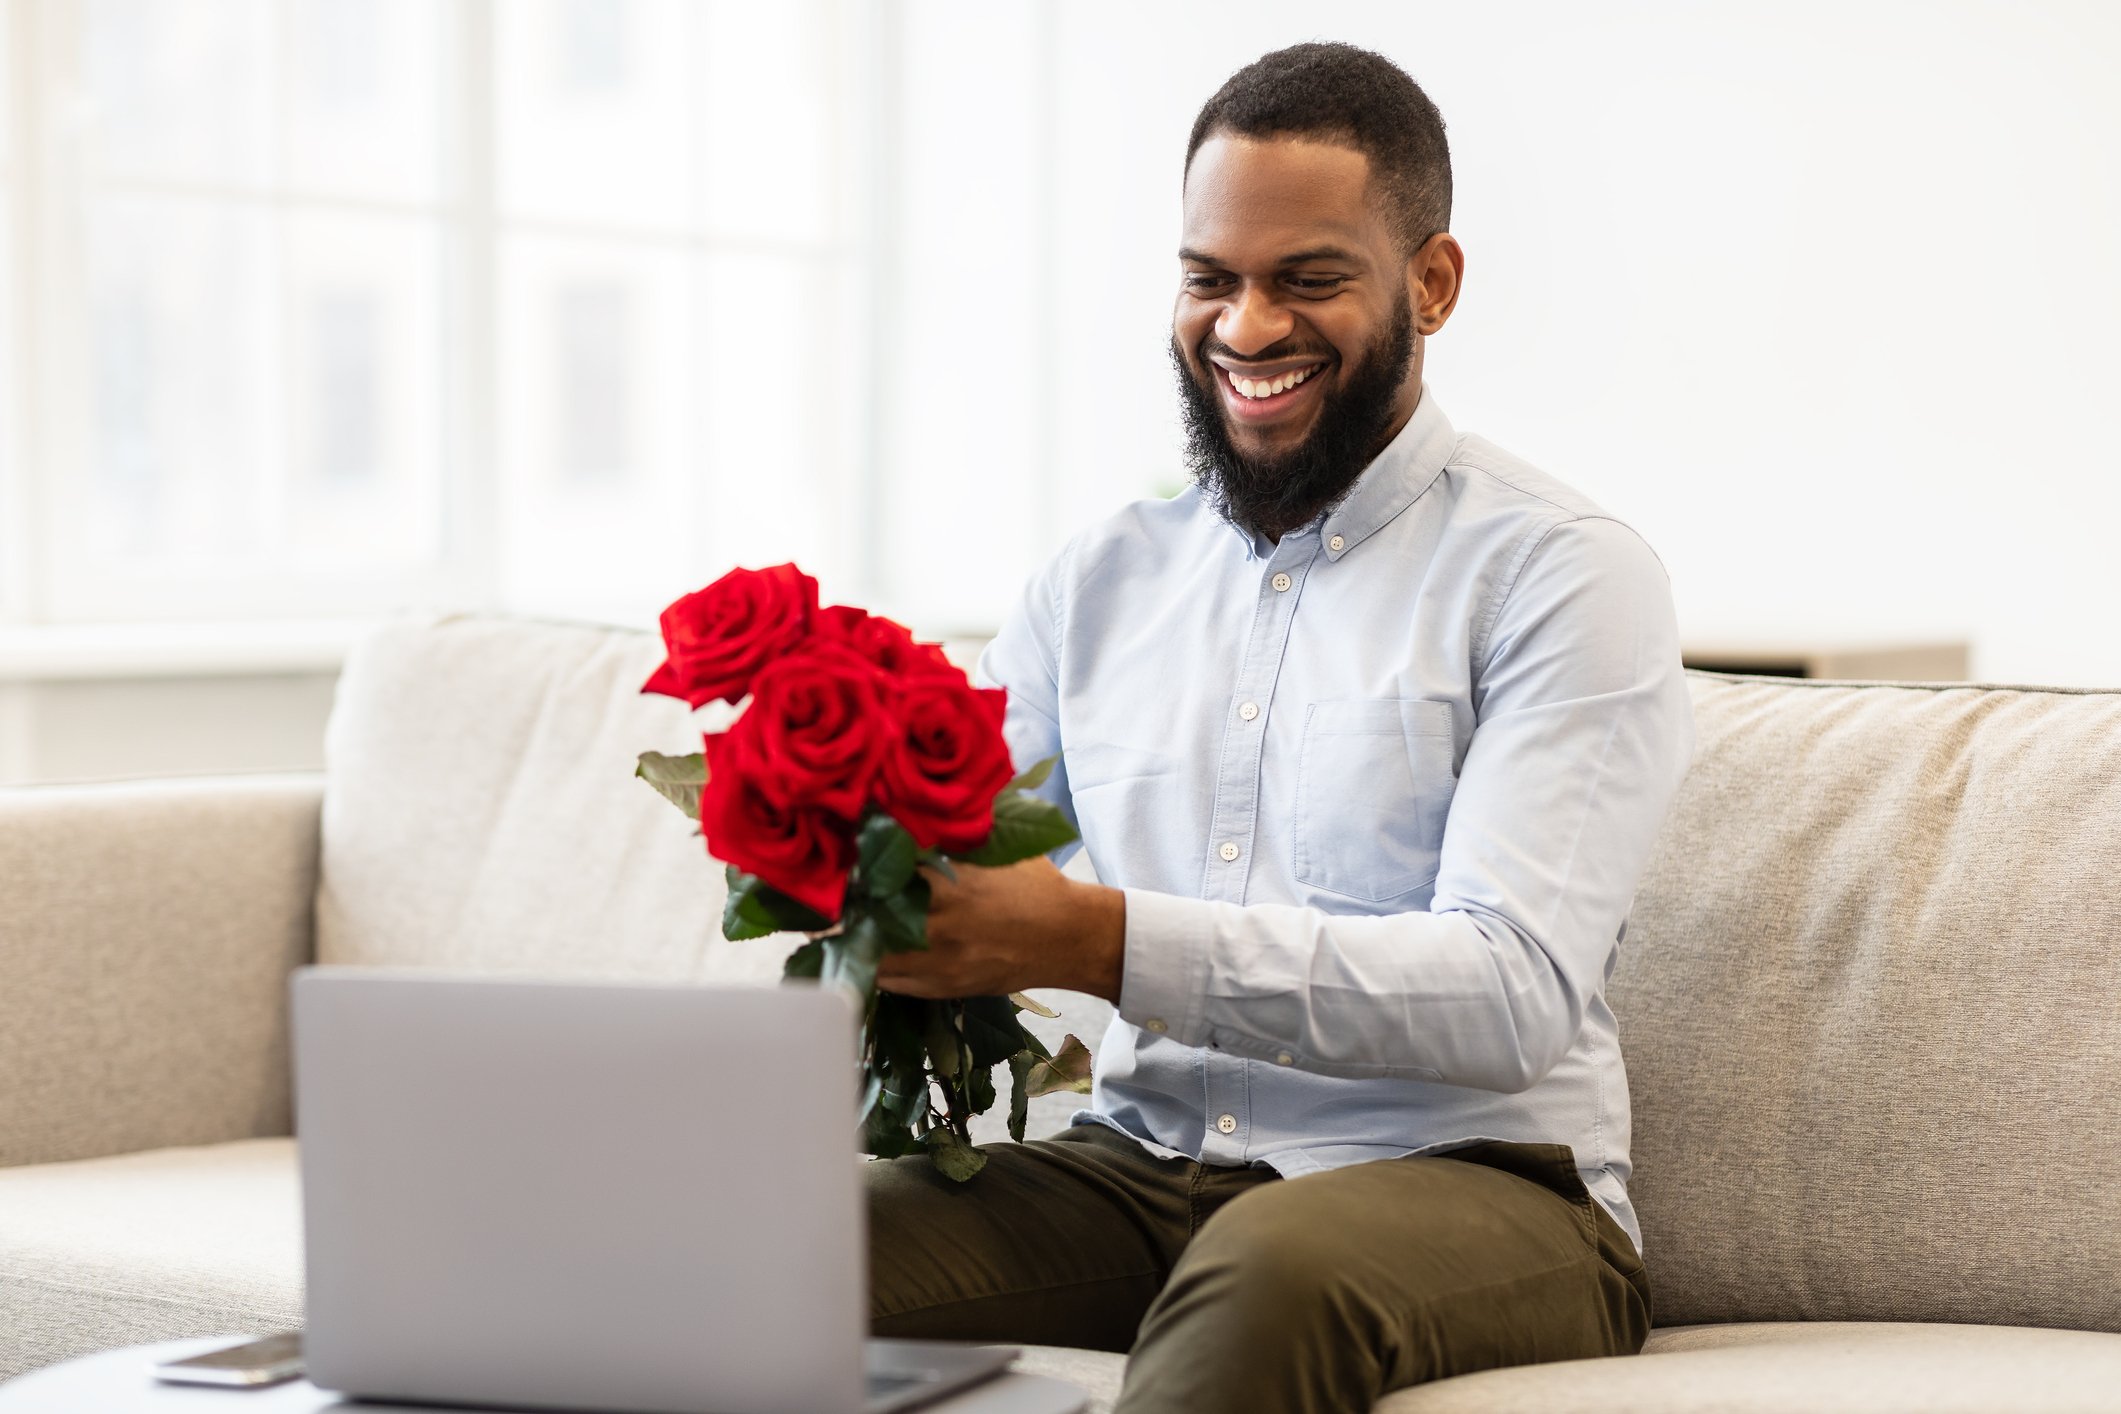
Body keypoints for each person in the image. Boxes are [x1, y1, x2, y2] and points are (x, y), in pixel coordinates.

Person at [867, 41, 1695, 1414]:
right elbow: (959, 846)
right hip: (1136, 1167)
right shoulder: (1097, 580)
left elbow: (1505, 992)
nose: (1246, 326)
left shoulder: (1560, 570)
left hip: (1479, 1184)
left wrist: (1099, 938)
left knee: (1266, 1265)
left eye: (1306, 278)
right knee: (765, 1245)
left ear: (1429, 283)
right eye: (1210, 278)